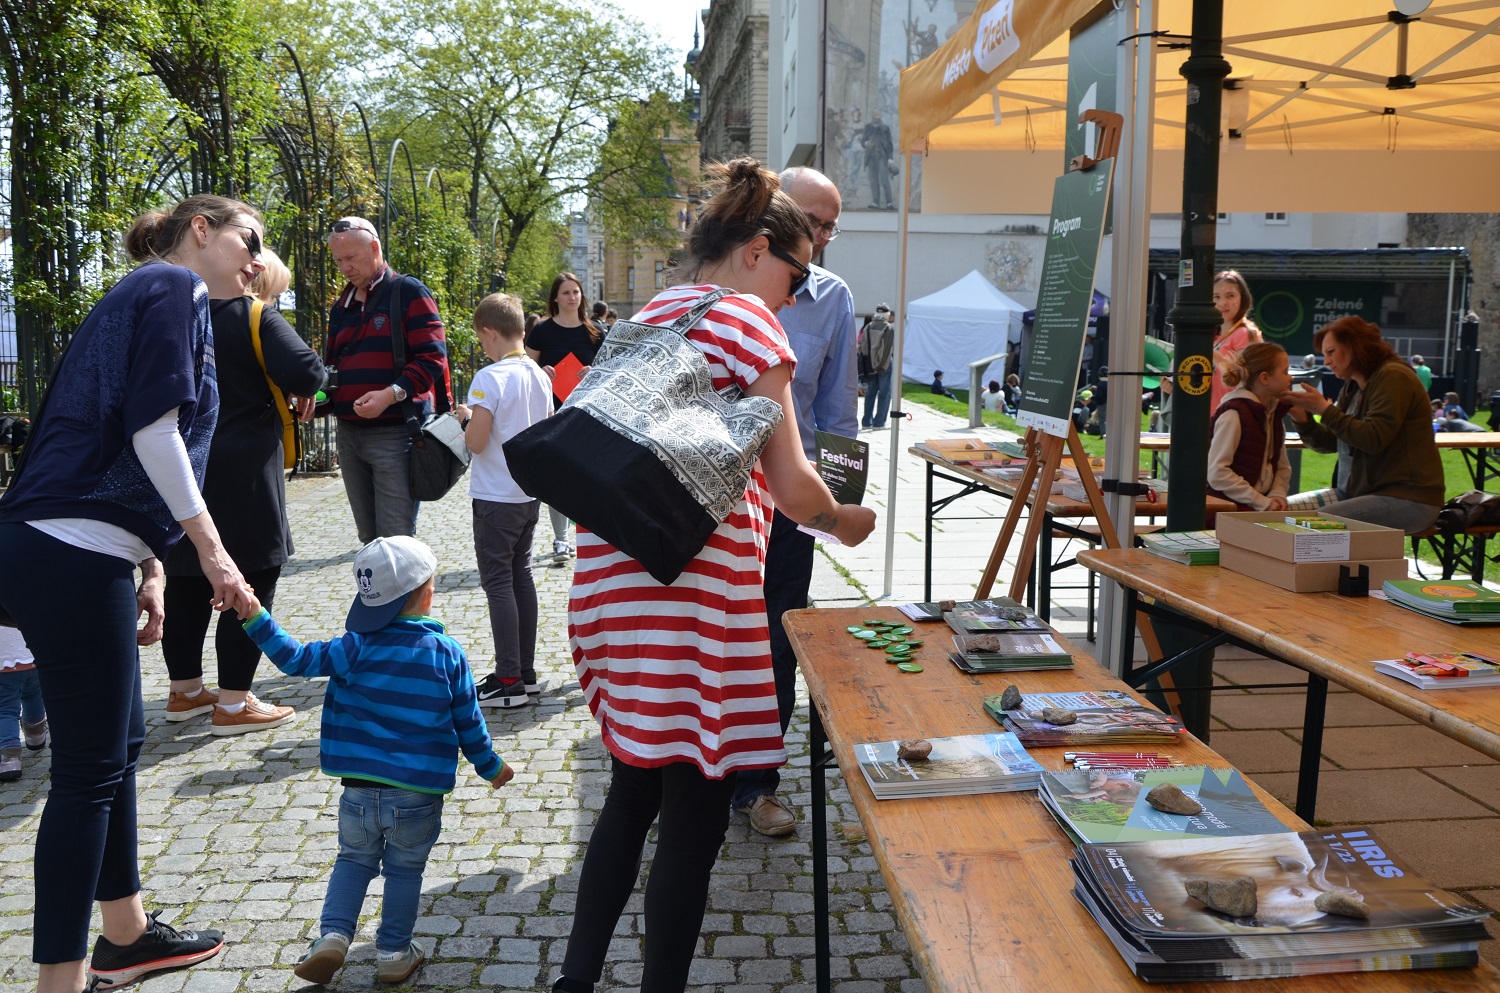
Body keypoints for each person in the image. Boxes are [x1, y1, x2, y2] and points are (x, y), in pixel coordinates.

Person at [555, 158, 876, 993]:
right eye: (795, 272)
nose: (794, 292)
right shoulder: (749, 324)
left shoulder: (652, 312)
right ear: (757, 249)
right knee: (694, 814)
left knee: (630, 794)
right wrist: (848, 520)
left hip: (612, 583)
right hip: (696, 600)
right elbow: (797, 485)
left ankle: (575, 981)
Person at [0, 193, 262, 993]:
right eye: (249, 241)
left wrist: (150, 564)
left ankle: (128, 933)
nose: (255, 260)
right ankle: (60, 982)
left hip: (80, 547)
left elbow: (118, 438)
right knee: (86, 770)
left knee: (118, 750)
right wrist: (214, 557)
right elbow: (153, 431)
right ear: (201, 230)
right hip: (70, 547)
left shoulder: (151, 295)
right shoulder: (170, 288)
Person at [236, 536, 514, 985]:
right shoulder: (447, 655)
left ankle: (332, 936)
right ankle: (393, 954)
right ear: (426, 592)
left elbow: (294, 659)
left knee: (353, 860)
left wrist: (255, 615)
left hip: (358, 793)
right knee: (405, 871)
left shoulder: (354, 647)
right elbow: (469, 722)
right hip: (417, 796)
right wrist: (490, 767)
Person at [728, 165, 859, 838]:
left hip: (789, 505)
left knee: (781, 637)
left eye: (833, 225)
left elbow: (839, 413)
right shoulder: (727, 285)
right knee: (719, 636)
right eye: (815, 223)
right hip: (719, 502)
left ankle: (757, 785)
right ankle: (695, 771)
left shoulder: (834, 299)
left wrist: (838, 509)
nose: (825, 237)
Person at [161, 246, 326, 735]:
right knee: (252, 576)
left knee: (187, 578)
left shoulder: (178, 315)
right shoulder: (254, 314)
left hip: (184, 463)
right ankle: (233, 703)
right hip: (245, 472)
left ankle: (185, 690)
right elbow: (308, 373)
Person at [322, 216, 451, 544]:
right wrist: (318, 403)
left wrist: (391, 394)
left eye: (350, 258)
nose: (344, 268)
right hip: (350, 435)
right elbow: (332, 368)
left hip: (395, 434)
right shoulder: (342, 305)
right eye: (338, 261)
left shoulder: (406, 292)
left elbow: (433, 358)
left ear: (375, 248)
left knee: (396, 539)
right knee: (369, 539)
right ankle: (391, 595)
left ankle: (410, 595)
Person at [454, 293, 552, 709]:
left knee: (498, 584)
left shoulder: (488, 378)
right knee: (521, 577)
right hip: (528, 493)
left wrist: (464, 419)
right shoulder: (538, 374)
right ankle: (525, 672)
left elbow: (476, 443)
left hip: (494, 495)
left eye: (481, 340)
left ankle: (508, 677)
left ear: (489, 333)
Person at [1283, 316, 1444, 533]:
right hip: (1357, 492)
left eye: (1331, 352)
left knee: (1311, 526)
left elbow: (1373, 439)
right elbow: (1333, 442)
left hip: (1408, 498)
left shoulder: (1393, 376)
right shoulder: (1353, 385)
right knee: (1279, 512)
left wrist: (1325, 410)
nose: (1327, 361)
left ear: (1355, 347)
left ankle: (1332, 568)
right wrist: (1302, 418)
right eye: (1324, 355)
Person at [524, 272, 602, 564]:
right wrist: (538, 371)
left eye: (576, 292)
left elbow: (612, 369)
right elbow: (523, 365)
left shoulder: (594, 331)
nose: (572, 297)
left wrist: (594, 371)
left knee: (585, 477)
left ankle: (591, 538)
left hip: (586, 413)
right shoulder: (542, 331)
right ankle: (561, 540)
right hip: (551, 412)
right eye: (566, 292)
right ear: (555, 297)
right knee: (557, 478)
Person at [1207, 342, 1294, 512]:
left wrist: (1277, 494)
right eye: (1285, 372)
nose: (1290, 378)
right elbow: (1217, 472)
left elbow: (1281, 466)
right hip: (1225, 511)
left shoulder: (1273, 413)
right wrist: (1261, 502)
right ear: (1265, 378)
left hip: (1255, 508)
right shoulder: (1234, 414)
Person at [1210, 270, 1263, 413]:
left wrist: (1217, 358)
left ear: (1242, 299)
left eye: (1230, 296)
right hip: (1206, 418)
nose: (1222, 303)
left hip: (1231, 418)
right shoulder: (1212, 334)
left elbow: (1248, 382)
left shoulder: (1244, 334)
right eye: (1216, 297)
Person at [0, 626, 46, 781]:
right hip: (31, 658)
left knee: (5, 709)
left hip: (4, 665)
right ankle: (36, 736)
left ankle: (10, 759)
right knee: (33, 697)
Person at [858, 303, 895, 429]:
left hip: (870, 364)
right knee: (885, 393)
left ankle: (866, 421)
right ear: (887, 314)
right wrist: (881, 365)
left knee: (870, 392)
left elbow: (862, 346)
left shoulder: (868, 326)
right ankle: (879, 422)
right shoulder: (888, 327)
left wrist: (870, 365)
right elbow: (887, 349)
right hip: (884, 364)